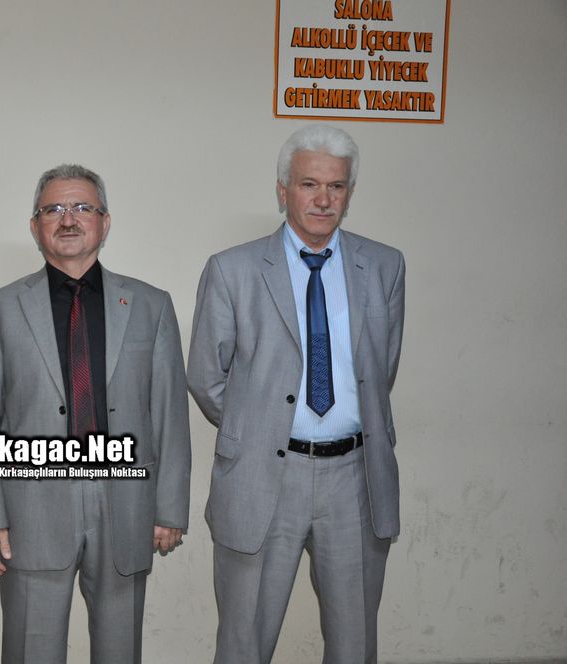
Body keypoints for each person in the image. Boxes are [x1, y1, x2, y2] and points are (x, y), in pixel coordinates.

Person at [187, 124, 405, 663]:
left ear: (349, 193)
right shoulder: (232, 270)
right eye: (310, 184)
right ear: (283, 190)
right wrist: (259, 430)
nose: (323, 199)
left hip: (355, 480)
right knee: (244, 642)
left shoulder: (385, 266)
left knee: (354, 644)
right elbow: (205, 376)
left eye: (336, 186)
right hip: (263, 478)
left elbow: (381, 370)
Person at [0, 164, 192, 663]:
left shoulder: (151, 305)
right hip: (31, 508)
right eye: (53, 209)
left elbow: (170, 414)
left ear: (104, 222)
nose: (68, 219)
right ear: (35, 226)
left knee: (119, 651)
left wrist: (170, 507)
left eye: (82, 207)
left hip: (126, 503)